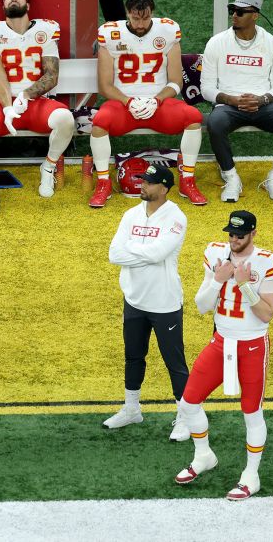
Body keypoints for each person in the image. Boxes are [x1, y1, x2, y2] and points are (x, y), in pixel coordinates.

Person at [176, 210, 273, 500]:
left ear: (253, 233)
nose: (234, 240)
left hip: (252, 345)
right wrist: (217, 280)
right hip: (221, 341)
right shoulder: (215, 253)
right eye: (231, 234)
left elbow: (266, 315)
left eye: (240, 235)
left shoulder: (268, 261)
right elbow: (201, 305)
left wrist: (244, 285)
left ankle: (251, 475)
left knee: (252, 412)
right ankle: (204, 456)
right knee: (188, 403)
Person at [89, 0, 206, 208]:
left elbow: (175, 81)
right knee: (99, 123)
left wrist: (156, 100)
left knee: (193, 117)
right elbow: (105, 86)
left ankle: (187, 180)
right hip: (123, 104)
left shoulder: (168, 30)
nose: (141, 24)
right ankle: (103, 183)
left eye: (145, 18)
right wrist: (128, 101)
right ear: (127, 13)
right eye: (135, 18)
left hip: (158, 104)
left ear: (152, 13)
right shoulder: (110, 33)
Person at [104, 164, 189, 439]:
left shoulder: (176, 218)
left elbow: (158, 254)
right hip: (134, 299)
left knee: (174, 362)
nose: (142, 185)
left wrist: (134, 250)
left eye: (149, 183)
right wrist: (143, 252)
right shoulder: (130, 214)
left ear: (164, 188)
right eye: (143, 180)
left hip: (164, 303)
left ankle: (185, 417)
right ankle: (132, 410)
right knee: (133, 356)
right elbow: (114, 254)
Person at [0, 0, 74, 211]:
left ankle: (48, 167)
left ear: (28, 5)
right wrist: (8, 108)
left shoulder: (45, 31)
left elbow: (52, 76)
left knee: (66, 119)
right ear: (4, 7)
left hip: (36, 102)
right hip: (6, 103)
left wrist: (27, 94)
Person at [200, 0, 273, 202]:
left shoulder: (272, 43)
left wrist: (262, 99)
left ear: (255, 15)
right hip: (229, 105)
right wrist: (231, 99)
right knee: (215, 122)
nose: (234, 15)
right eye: (233, 10)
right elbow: (207, 88)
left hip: (263, 104)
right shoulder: (216, 42)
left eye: (240, 11)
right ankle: (231, 178)